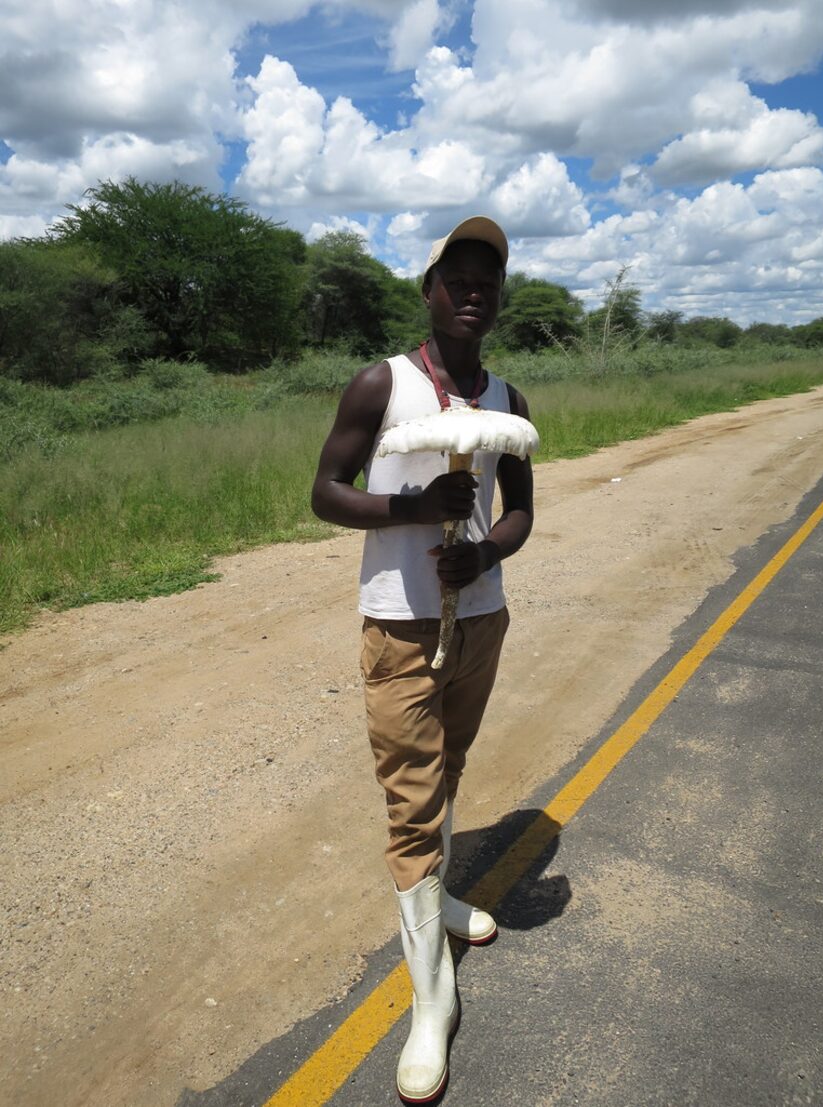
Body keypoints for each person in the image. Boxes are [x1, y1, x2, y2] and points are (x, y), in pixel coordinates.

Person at [311, 215, 534, 1103]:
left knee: (452, 769)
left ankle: (439, 903)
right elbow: (325, 492)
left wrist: (484, 552)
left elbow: (518, 511)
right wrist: (412, 511)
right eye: (459, 277)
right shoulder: (385, 384)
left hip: (480, 616)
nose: (474, 290)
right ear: (431, 290)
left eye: (489, 279)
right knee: (413, 802)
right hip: (399, 624)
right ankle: (430, 1004)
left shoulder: (509, 399)